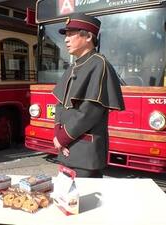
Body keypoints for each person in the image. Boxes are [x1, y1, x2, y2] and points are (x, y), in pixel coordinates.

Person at [52, 13, 125, 178]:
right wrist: (58, 135)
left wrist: (62, 137)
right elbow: (60, 104)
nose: (66, 39)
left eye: (71, 34)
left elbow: (90, 111)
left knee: (83, 201)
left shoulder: (100, 64)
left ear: (88, 36)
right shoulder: (73, 66)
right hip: (65, 147)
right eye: (66, 35)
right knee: (66, 201)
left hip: (84, 151)